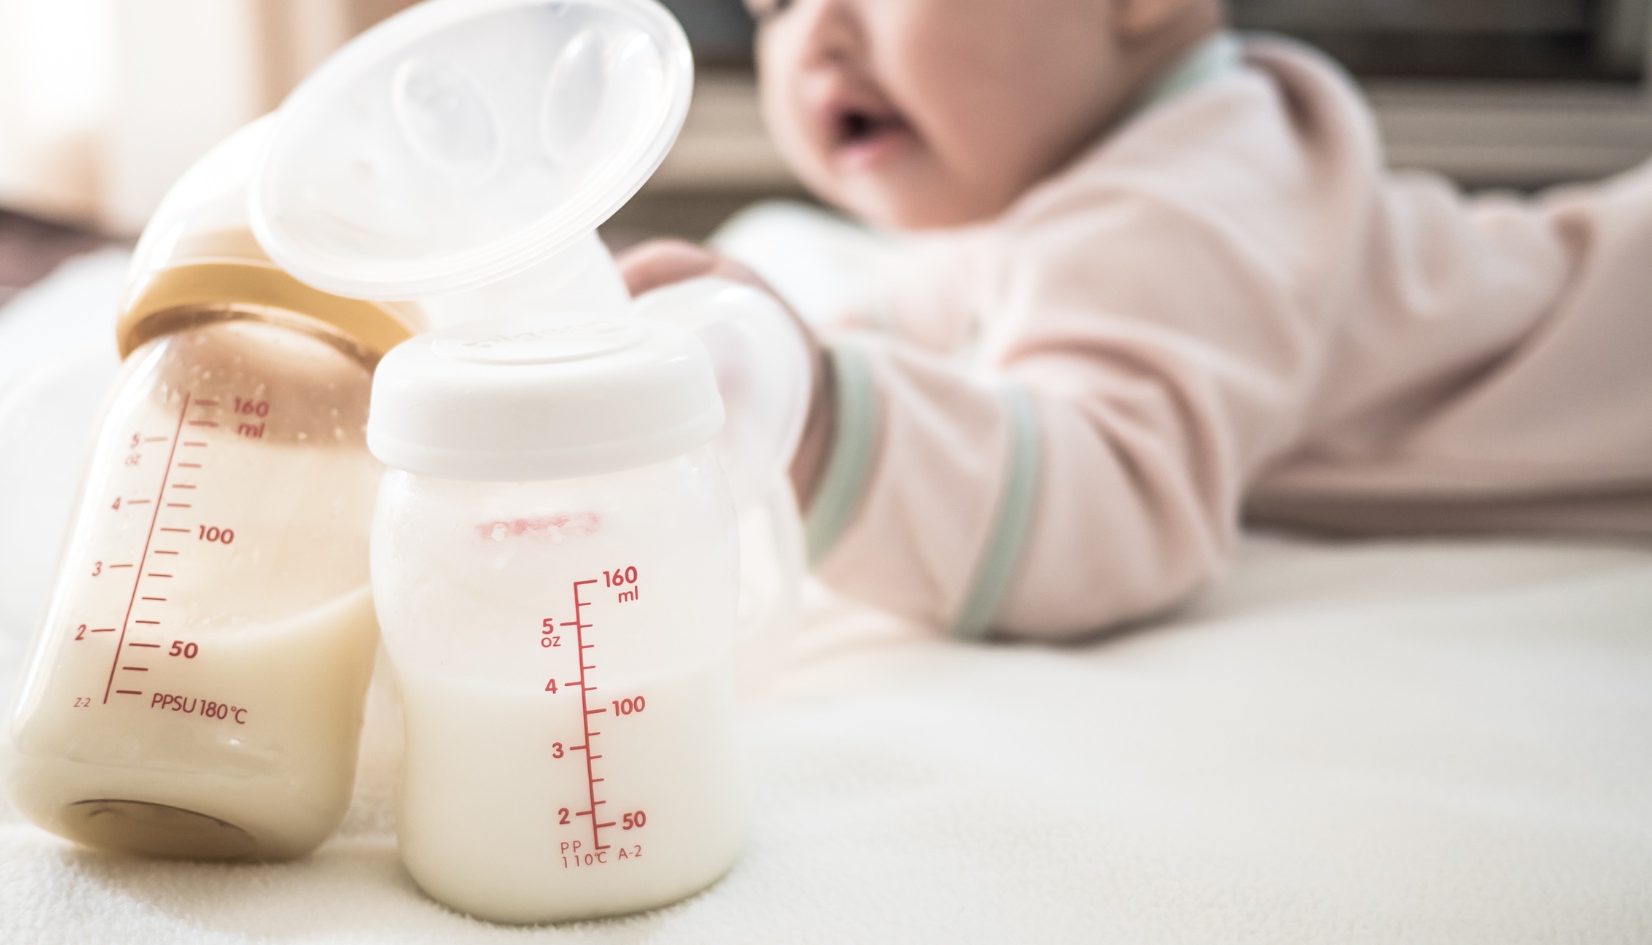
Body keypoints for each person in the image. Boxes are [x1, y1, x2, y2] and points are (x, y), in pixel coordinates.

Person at [617, 0, 1652, 641]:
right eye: (777, 4)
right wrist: (776, 337)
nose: (813, 37)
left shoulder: (1188, 197)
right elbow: (955, 302)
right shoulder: (1090, 185)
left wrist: (823, 417)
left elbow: (1108, 498)